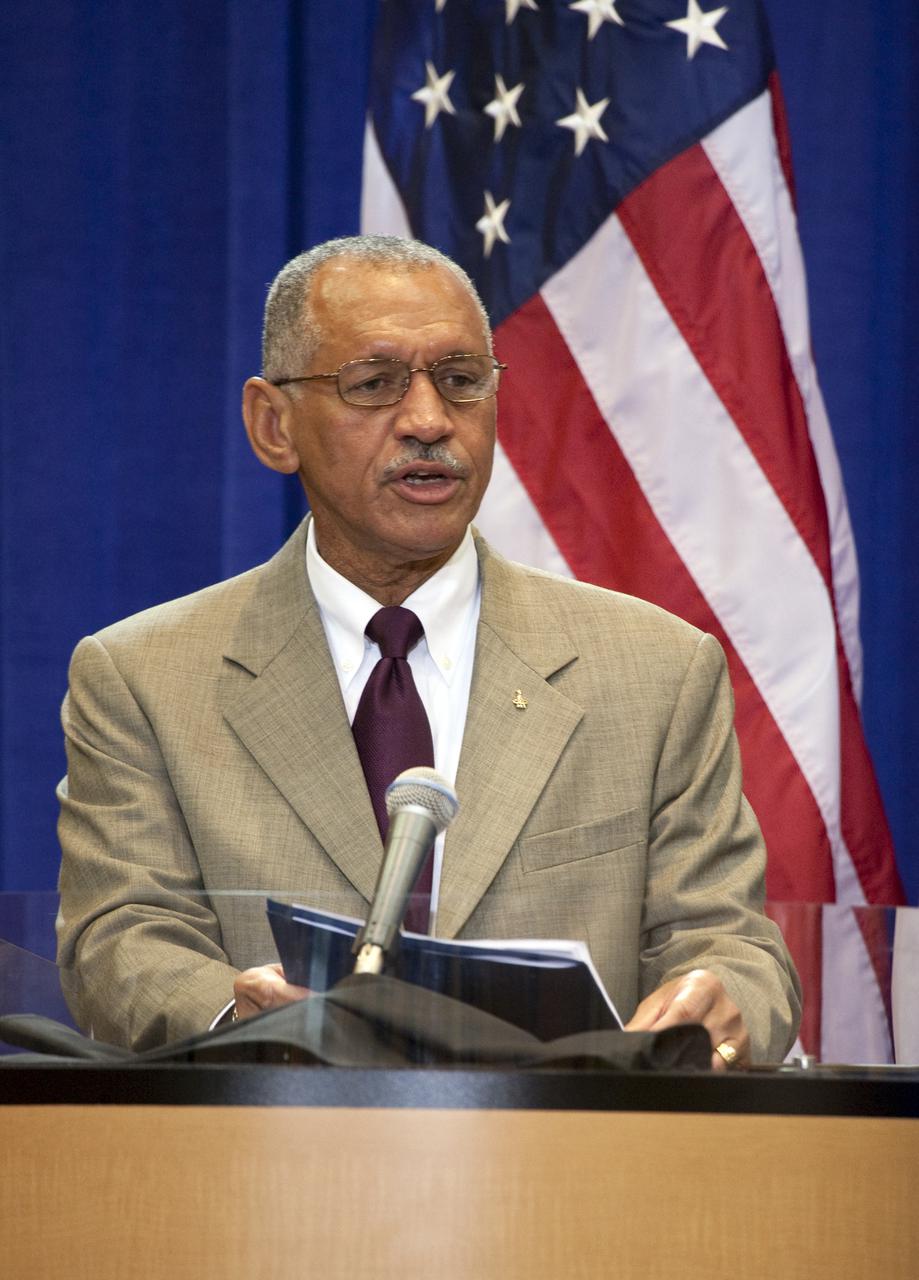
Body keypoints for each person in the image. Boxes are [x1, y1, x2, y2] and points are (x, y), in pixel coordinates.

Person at [56, 235, 801, 1062]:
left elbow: (731, 945)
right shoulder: (143, 679)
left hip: (568, 1138)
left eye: (460, 380)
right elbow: (118, 939)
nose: (428, 421)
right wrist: (242, 1021)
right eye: (373, 384)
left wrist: (721, 998)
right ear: (274, 426)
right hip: (271, 1129)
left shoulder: (657, 671)